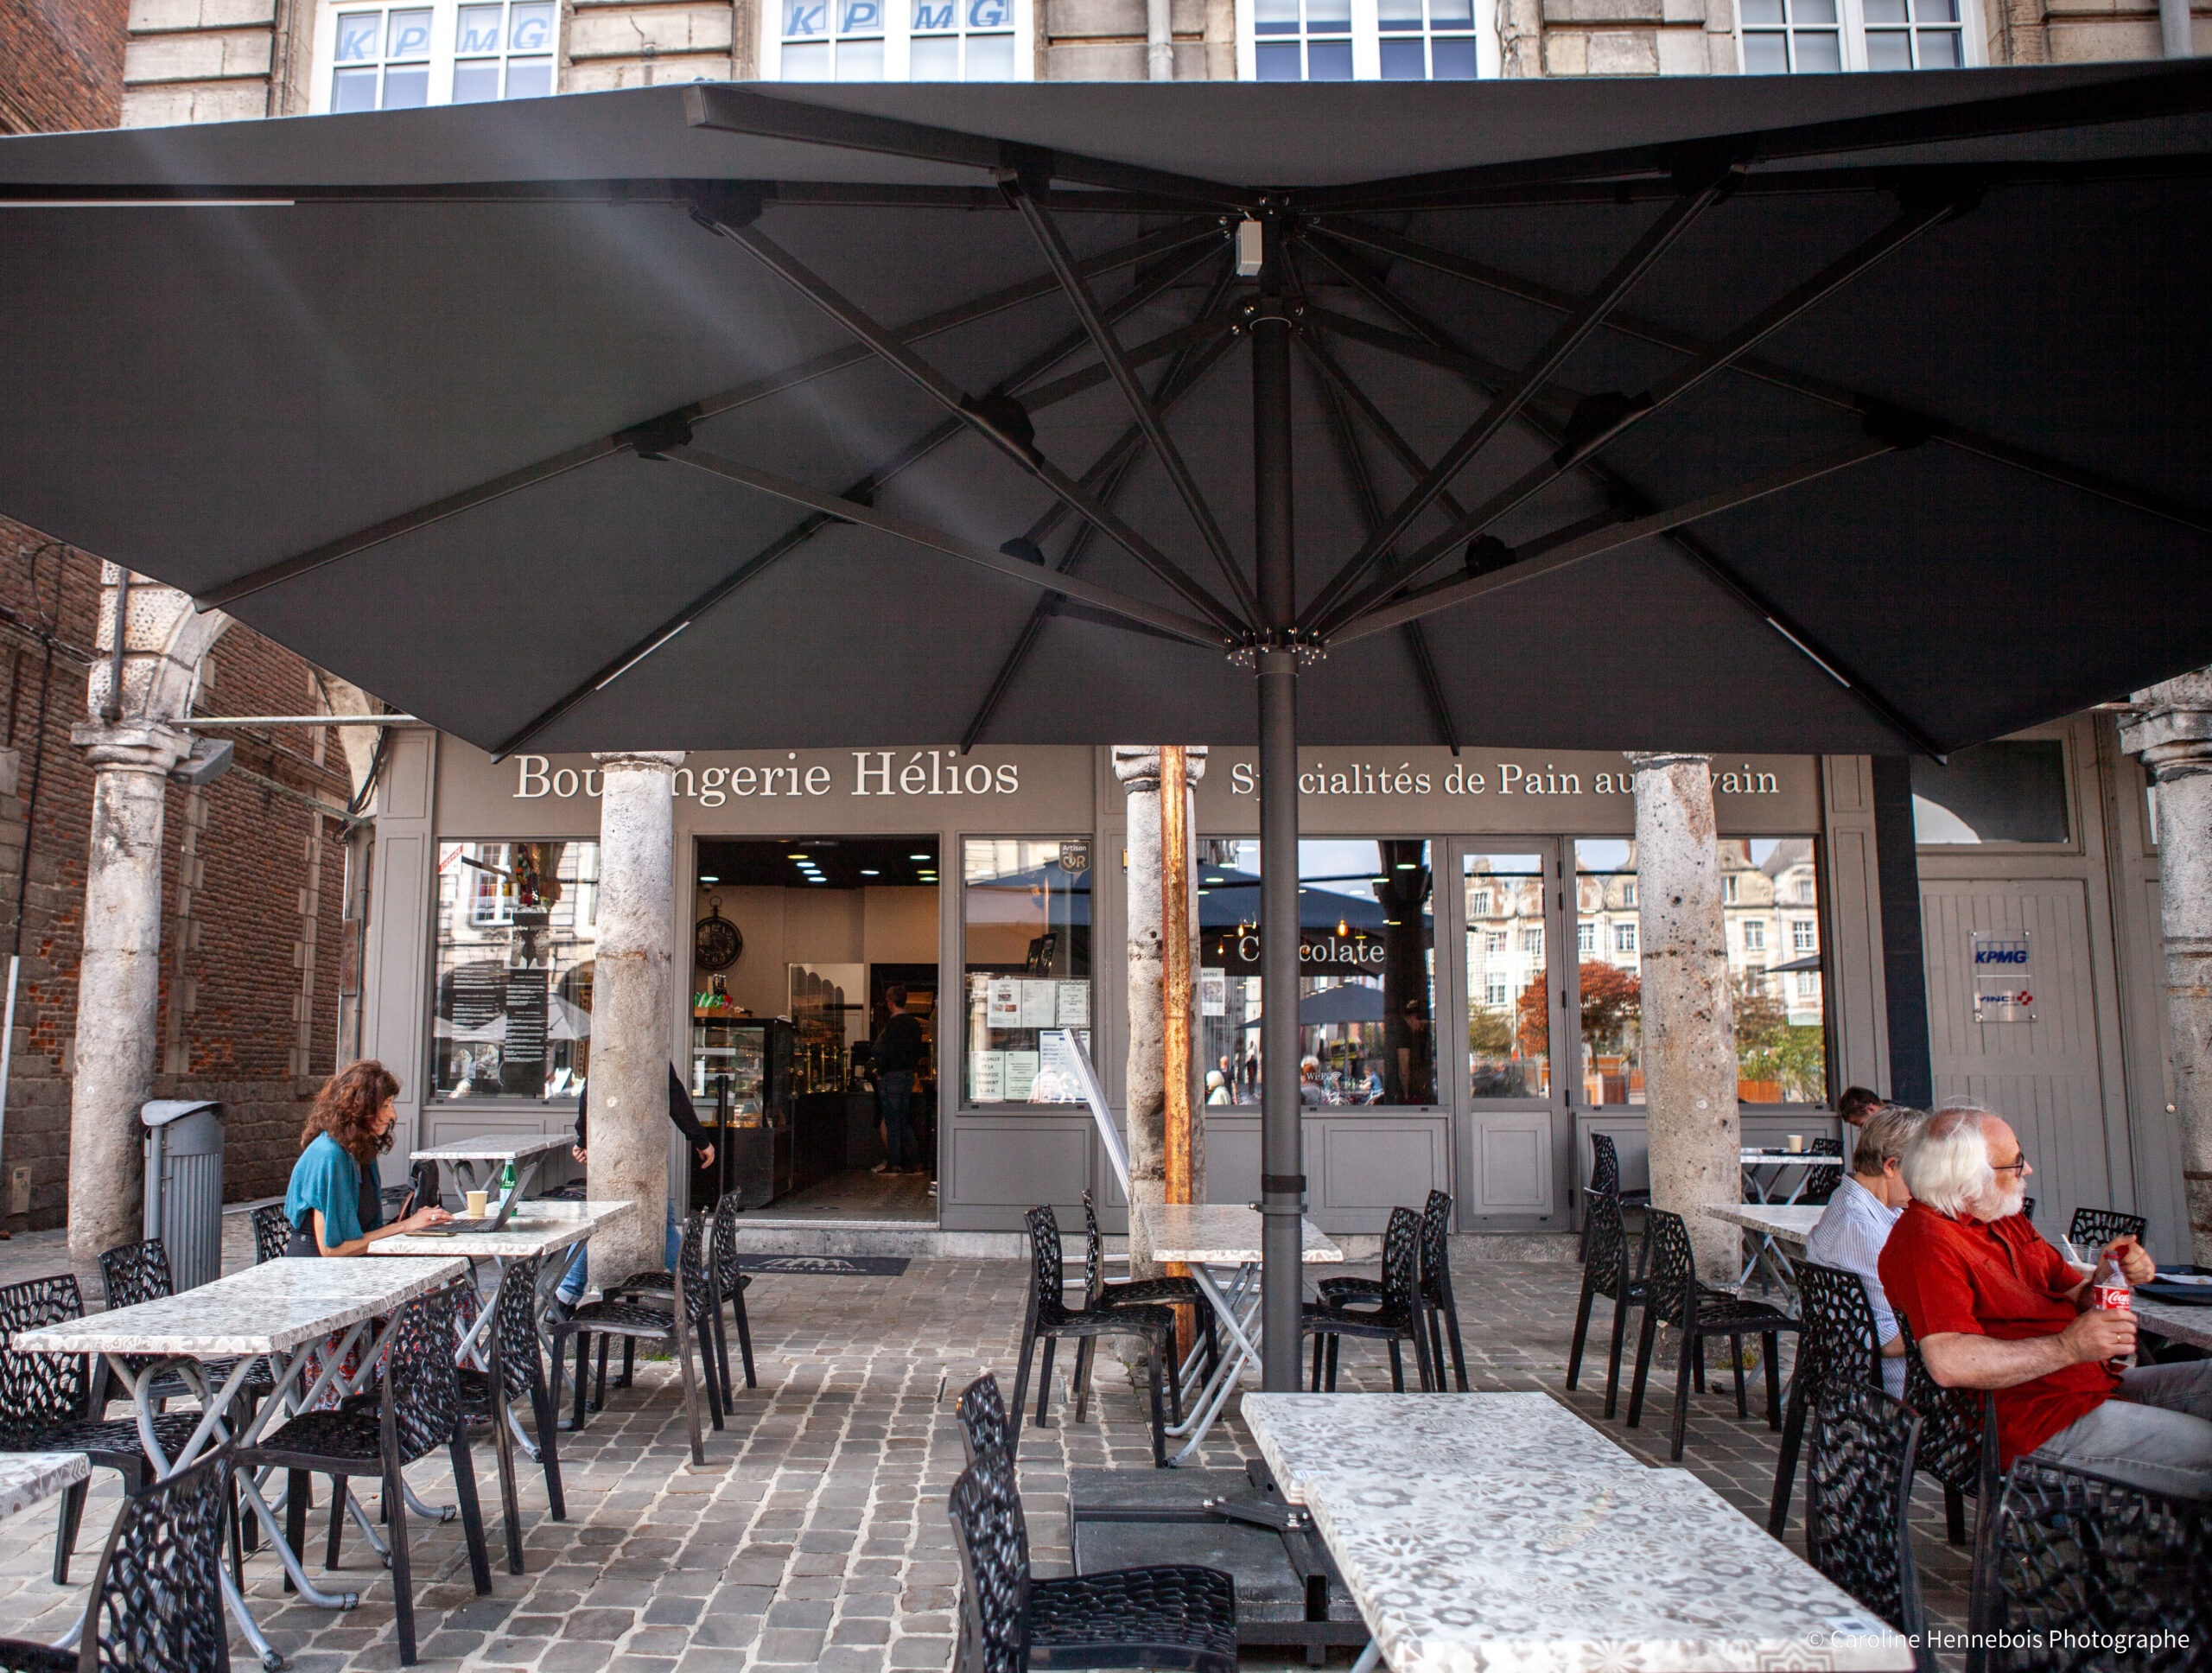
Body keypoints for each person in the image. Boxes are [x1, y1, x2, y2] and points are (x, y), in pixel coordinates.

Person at [1879, 1104, 2212, 1499]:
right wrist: (2068, 1346)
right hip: (2024, 1423)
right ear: (1969, 1178)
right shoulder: (1925, 1241)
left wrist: (2106, 1275)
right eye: (2015, 1164)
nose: (2029, 1170)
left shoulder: (2003, 1217)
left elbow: (2074, 1295)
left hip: (2084, 1387)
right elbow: (1949, 1363)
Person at [555, 1064, 715, 1308]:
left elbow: (590, 1093)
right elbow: (675, 1094)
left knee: (623, 1219)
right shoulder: (640, 1050)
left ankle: (564, 1297)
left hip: (615, 1149)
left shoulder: (607, 1052)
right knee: (605, 1220)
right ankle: (565, 1295)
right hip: (633, 1151)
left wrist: (585, 1139)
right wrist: (700, 1139)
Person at [1805, 1105, 1923, 1397]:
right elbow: (1887, 1341)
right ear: (1891, 1166)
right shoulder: (1861, 1227)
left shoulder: (1864, 1202)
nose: (1926, 1183)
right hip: (1893, 1386)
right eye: (1921, 1171)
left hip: (1863, 1369)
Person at [284, 1060, 453, 1255]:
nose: (393, 1115)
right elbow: (333, 1251)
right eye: (385, 1105)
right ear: (360, 1109)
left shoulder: (360, 1150)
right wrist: (406, 1225)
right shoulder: (329, 1155)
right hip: (314, 1273)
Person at [872, 985, 926, 1175]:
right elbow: (919, 1051)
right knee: (904, 1120)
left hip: (891, 1076)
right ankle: (916, 1161)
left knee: (892, 1120)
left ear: (890, 1003)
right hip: (908, 1076)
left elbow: (884, 1052)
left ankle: (894, 1163)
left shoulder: (892, 1026)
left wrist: (880, 1071)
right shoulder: (914, 1023)